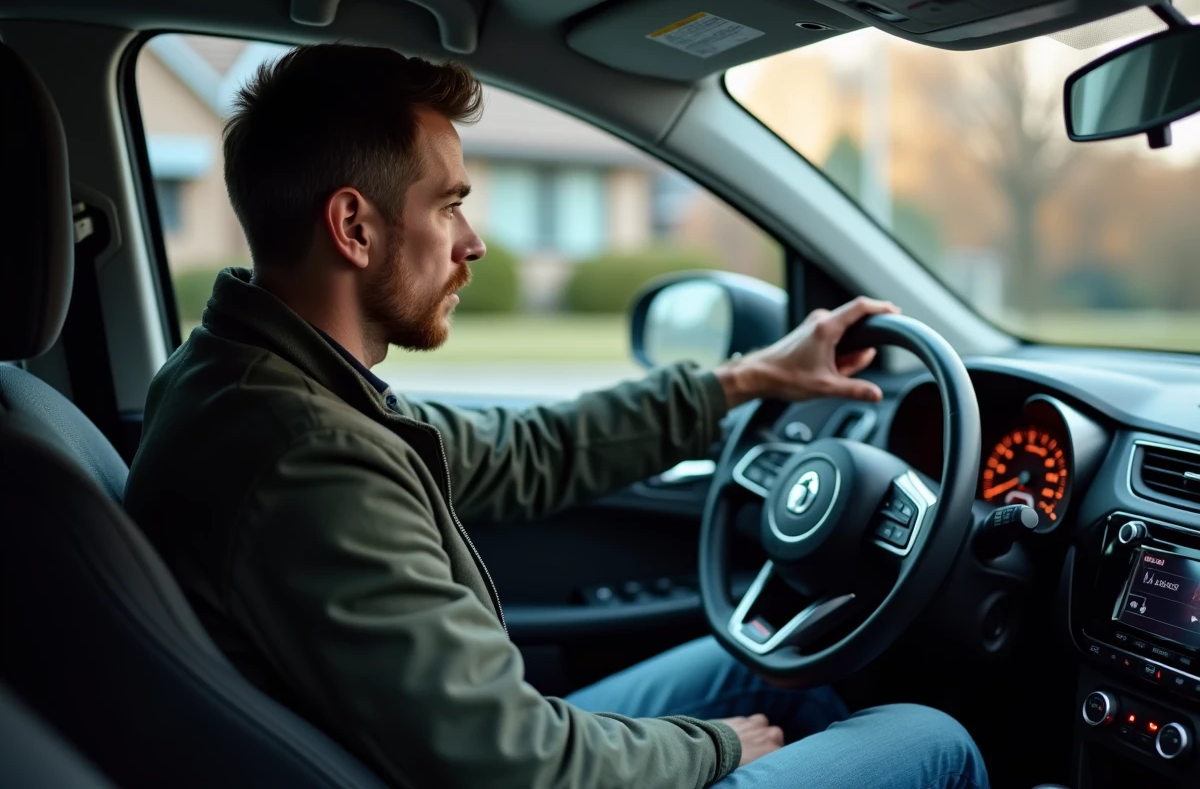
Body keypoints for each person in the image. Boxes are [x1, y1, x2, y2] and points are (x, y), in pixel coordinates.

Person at [125, 44, 988, 789]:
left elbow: (526, 449)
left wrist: (752, 378)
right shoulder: (306, 456)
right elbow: (521, 768)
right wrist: (714, 750)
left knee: (767, 665)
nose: (474, 243)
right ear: (353, 225)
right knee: (932, 740)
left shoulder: (246, 379)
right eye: (449, 204)